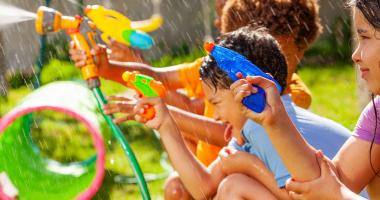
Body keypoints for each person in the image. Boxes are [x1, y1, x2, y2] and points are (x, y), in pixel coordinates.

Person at [127, 25, 350, 199]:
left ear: (249, 91)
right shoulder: (251, 130)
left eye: (216, 103)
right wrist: (166, 125)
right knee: (230, 186)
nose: (214, 115)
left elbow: (304, 196)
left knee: (234, 186)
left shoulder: (270, 128)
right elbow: (203, 189)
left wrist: (248, 166)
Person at [229, 0, 380, 199]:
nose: (355, 55)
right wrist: (275, 120)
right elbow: (321, 185)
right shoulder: (376, 114)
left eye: (365, 37)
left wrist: (337, 194)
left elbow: (334, 190)